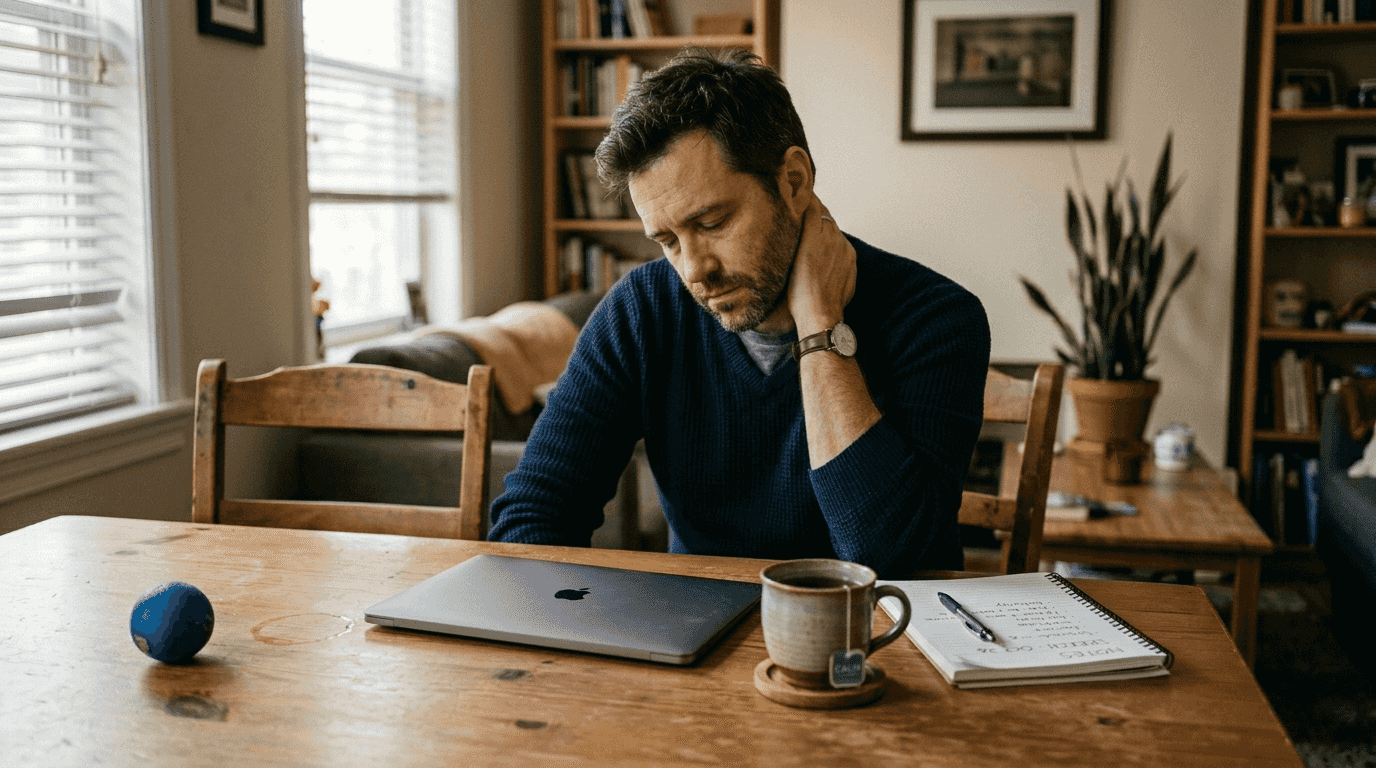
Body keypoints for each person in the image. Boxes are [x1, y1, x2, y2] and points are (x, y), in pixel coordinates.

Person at [488, 48, 989, 577]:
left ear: (793, 181)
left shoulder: (938, 319)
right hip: (692, 636)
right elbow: (533, 518)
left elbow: (896, 565)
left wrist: (819, 327)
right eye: (668, 240)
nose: (694, 270)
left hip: (872, 639)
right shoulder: (643, 310)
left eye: (711, 223)